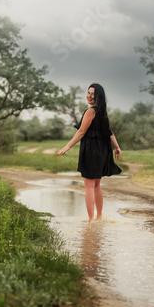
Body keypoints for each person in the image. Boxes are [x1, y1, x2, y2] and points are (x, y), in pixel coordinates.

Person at [56, 83, 122, 223]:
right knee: (96, 185)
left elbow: (81, 131)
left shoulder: (90, 111)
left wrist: (67, 146)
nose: (89, 96)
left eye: (93, 94)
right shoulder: (103, 112)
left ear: (99, 96)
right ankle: (99, 217)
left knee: (89, 186)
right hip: (103, 151)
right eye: (88, 93)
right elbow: (109, 132)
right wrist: (117, 147)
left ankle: (91, 220)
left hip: (91, 150)